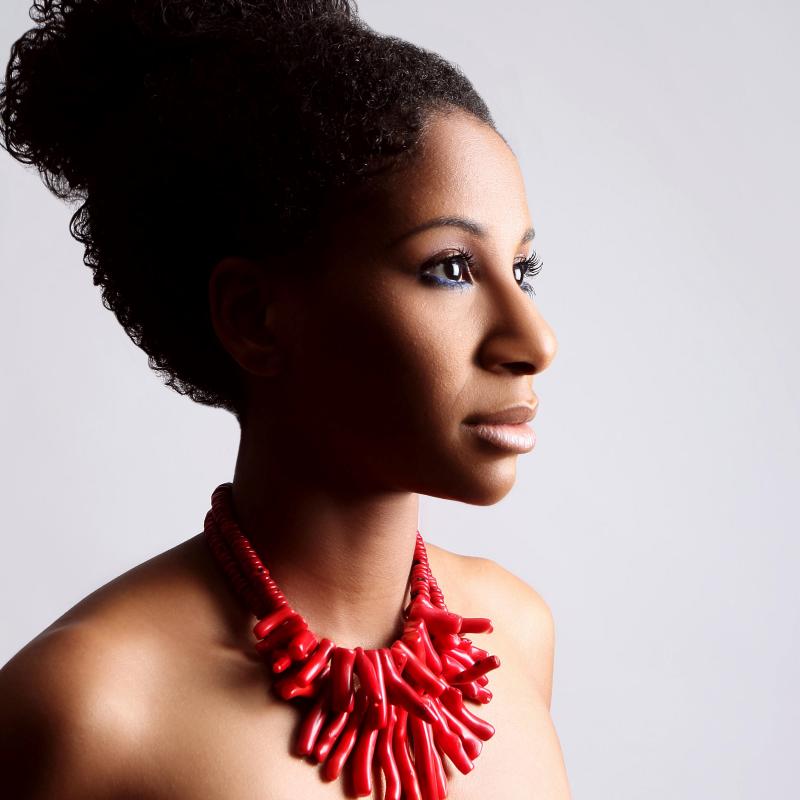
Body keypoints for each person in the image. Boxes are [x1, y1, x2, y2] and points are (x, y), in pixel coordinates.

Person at [0, 1, 570, 797]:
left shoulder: (516, 634)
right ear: (254, 317)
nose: (534, 341)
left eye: (523, 270)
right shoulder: (86, 709)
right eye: (448, 268)